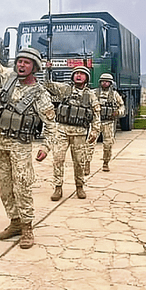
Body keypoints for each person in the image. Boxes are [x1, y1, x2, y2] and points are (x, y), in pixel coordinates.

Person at [0, 35, 56, 249]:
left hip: (20, 145)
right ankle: (14, 221)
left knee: (22, 185)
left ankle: (27, 228)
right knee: (4, 185)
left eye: (26, 63)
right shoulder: (8, 79)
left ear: (34, 67)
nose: (21, 65)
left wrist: (46, 146)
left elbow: (51, 125)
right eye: (19, 61)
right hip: (0, 141)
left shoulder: (40, 94)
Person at [44, 65, 100, 200]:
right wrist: (48, 71)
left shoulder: (90, 95)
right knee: (58, 159)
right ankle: (58, 187)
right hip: (62, 131)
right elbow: (48, 85)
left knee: (79, 162)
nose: (78, 75)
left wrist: (95, 131)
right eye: (76, 73)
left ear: (87, 78)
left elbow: (96, 114)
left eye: (82, 73)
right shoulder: (66, 89)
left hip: (80, 134)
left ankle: (79, 187)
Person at [88, 73, 125, 173]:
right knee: (90, 144)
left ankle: (105, 163)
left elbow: (122, 107)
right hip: (96, 123)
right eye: (103, 81)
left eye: (107, 81)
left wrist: (118, 112)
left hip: (108, 123)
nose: (105, 83)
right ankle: (86, 164)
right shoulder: (93, 93)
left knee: (108, 145)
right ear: (100, 82)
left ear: (110, 83)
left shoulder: (114, 95)